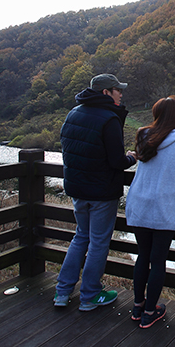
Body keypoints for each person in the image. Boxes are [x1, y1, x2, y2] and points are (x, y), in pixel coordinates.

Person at [54, 73, 137, 311]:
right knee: (99, 242)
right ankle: (90, 295)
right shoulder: (108, 118)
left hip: (77, 189)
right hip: (101, 192)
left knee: (81, 236)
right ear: (106, 93)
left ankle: (62, 292)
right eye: (117, 89)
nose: (121, 93)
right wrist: (132, 156)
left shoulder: (73, 113)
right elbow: (116, 161)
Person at [125, 96, 175, 328]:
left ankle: (137, 306)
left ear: (156, 113)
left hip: (139, 201)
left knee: (142, 256)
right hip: (163, 205)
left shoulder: (144, 134)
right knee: (158, 261)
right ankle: (149, 312)